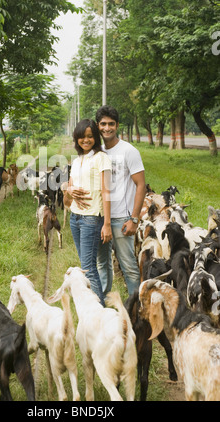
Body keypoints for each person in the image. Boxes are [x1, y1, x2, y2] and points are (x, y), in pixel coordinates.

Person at [95, 105, 146, 297]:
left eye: (111, 124)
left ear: (117, 125)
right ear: (97, 125)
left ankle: (136, 309)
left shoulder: (128, 151)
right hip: (100, 217)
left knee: (129, 266)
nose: (107, 128)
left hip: (122, 219)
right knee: (103, 264)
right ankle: (103, 304)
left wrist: (134, 219)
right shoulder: (96, 152)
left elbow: (140, 185)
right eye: (103, 124)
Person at [65, 119, 112, 306]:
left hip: (92, 219)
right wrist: (68, 190)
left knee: (88, 269)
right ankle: (95, 308)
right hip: (75, 218)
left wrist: (107, 224)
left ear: (96, 138)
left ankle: (99, 313)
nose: (86, 140)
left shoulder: (101, 158)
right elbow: (69, 186)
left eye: (90, 136)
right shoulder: (77, 160)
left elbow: (106, 191)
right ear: (76, 139)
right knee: (87, 267)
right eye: (82, 137)